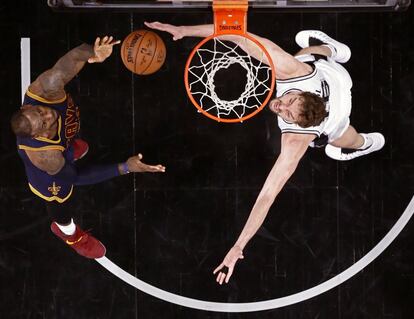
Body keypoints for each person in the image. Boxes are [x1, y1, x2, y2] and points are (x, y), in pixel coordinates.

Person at [144, 22, 385, 283]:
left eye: (289, 114)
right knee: (305, 55)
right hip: (333, 73)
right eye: (291, 101)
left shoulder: (297, 139)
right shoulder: (294, 72)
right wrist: (183, 30)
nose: (282, 106)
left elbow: (267, 195)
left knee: (344, 140)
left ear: (301, 125)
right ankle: (334, 50)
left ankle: (364, 144)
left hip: (336, 114)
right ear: (302, 92)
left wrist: (239, 246)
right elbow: (239, 36)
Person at [11, 36, 166, 259]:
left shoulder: (44, 91)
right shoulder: (46, 157)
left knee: (69, 142)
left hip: (62, 145)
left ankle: (70, 150)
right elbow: (76, 177)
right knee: (58, 201)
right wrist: (125, 167)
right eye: (44, 123)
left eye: (39, 111)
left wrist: (93, 52)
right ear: (38, 134)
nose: (48, 114)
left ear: (29, 106)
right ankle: (70, 235)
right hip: (51, 177)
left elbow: (72, 58)